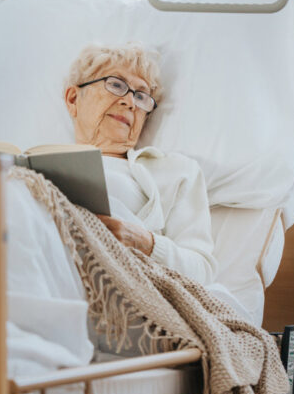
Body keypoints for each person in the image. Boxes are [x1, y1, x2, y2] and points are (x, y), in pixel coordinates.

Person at [64, 43, 218, 285]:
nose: (130, 102)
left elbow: (201, 271)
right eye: (115, 84)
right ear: (73, 99)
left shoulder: (175, 171)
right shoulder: (34, 164)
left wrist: (145, 242)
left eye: (141, 96)